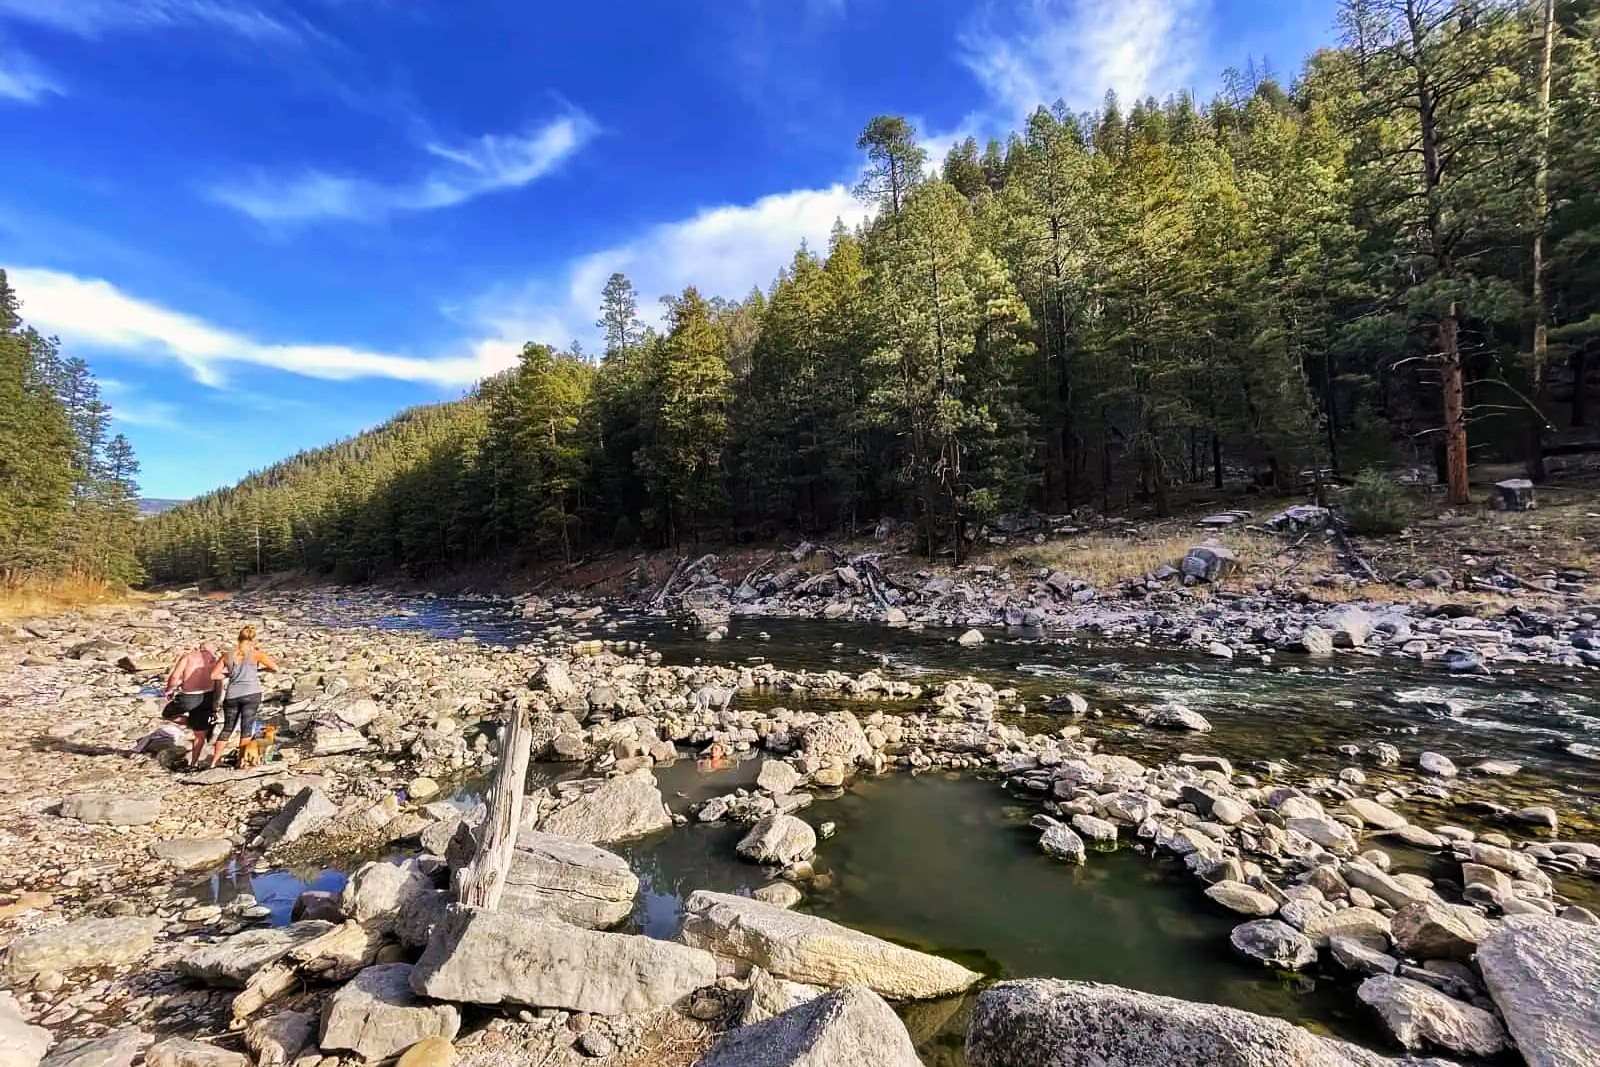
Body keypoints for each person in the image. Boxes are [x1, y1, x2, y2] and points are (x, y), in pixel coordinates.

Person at [207, 625, 279, 769]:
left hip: (232, 695)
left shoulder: (227, 655)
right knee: (246, 728)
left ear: (239, 638)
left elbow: (214, 675)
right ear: (253, 639)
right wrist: (259, 670)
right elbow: (275, 668)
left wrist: (229, 674)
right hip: (251, 694)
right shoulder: (256, 654)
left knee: (227, 728)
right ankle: (241, 761)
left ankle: (214, 761)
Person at [164, 643, 219, 768]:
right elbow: (218, 682)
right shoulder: (214, 659)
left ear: (199, 648)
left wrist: (169, 690)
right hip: (207, 695)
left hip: (189, 695)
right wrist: (216, 700)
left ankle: (192, 723)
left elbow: (174, 676)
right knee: (199, 734)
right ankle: (193, 763)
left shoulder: (188, 657)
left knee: (167, 714)